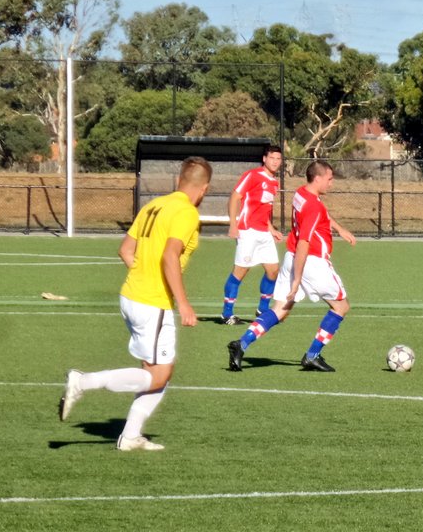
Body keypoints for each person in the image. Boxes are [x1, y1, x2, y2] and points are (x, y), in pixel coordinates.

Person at [59, 156, 212, 451]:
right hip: (152, 301)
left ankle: (130, 436)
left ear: (179, 180)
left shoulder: (154, 206)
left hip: (132, 295)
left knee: (152, 371)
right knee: (160, 375)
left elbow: (126, 250)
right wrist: (184, 303)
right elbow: (170, 256)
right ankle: (83, 381)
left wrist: (143, 275)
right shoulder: (186, 213)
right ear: (204, 188)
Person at [227, 160, 356, 372]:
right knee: (341, 306)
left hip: (291, 257)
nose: (331, 183)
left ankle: (241, 344)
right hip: (311, 263)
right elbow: (305, 240)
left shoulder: (301, 194)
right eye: (329, 179)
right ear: (318, 178)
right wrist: (297, 280)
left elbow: (320, 213)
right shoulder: (314, 206)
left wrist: (339, 229)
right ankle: (313, 355)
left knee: (280, 310)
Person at [220, 145, 284, 325]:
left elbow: (264, 210)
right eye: (272, 158)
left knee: (273, 271)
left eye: (278, 159)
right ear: (264, 159)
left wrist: (271, 229)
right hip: (248, 231)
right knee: (240, 271)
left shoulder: (274, 182)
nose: (275, 162)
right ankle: (226, 314)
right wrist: (233, 224)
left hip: (263, 232)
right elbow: (235, 197)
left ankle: (262, 310)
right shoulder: (252, 175)